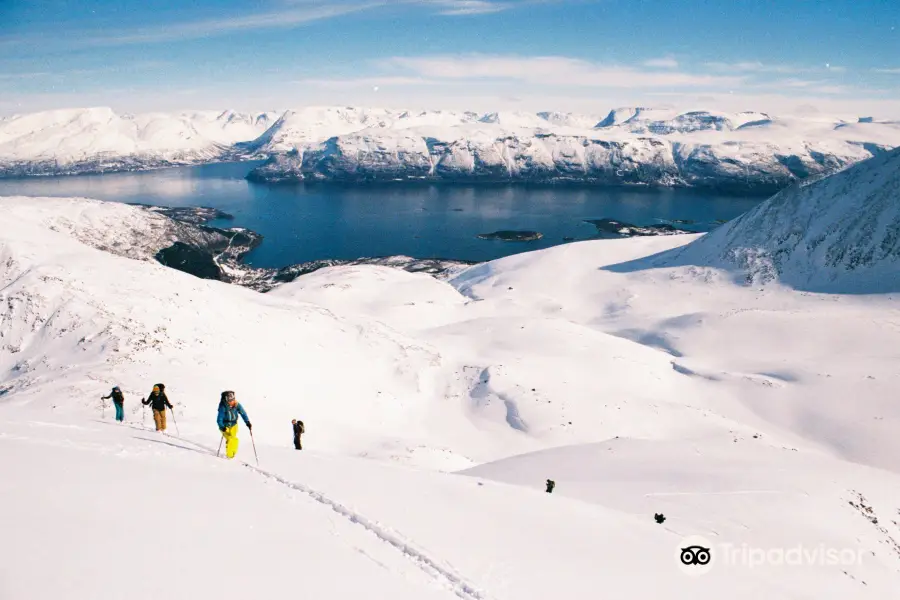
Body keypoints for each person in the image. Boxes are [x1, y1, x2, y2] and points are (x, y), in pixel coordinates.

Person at [217, 391, 251, 459]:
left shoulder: (236, 404)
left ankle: (233, 453)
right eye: (230, 400)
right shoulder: (223, 406)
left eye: (233, 399)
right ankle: (229, 456)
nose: (232, 402)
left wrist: (247, 422)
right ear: (226, 400)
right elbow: (219, 419)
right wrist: (222, 427)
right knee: (230, 439)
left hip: (234, 425)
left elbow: (243, 413)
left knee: (234, 439)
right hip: (224, 426)